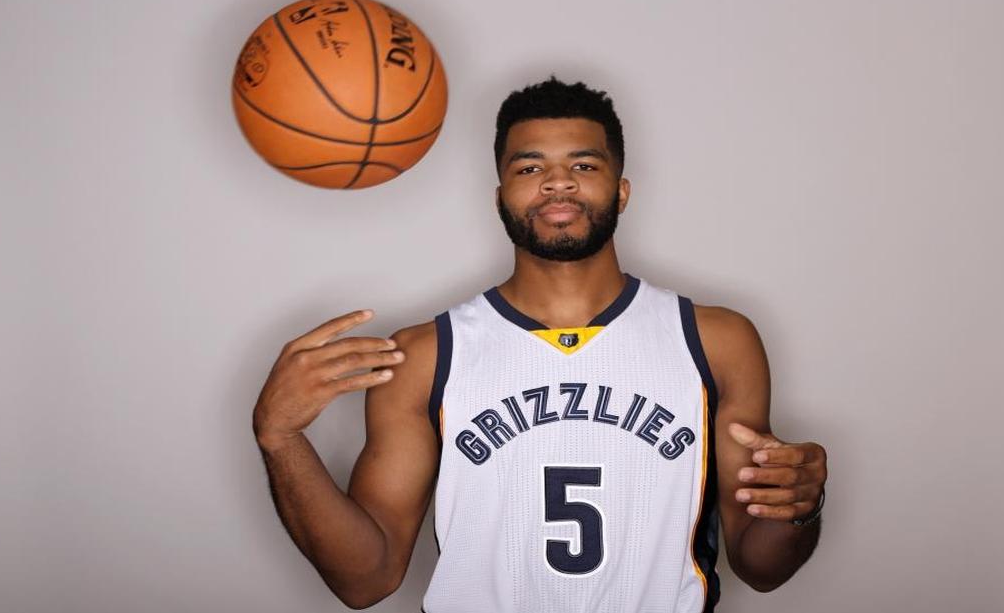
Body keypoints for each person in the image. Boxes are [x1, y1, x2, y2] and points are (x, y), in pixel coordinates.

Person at [252, 77, 828, 612]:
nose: (559, 181)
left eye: (583, 162)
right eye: (530, 168)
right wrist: (281, 439)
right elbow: (365, 579)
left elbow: (762, 565)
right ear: (500, 195)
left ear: (622, 191)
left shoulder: (717, 340)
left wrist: (800, 508)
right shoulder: (428, 356)